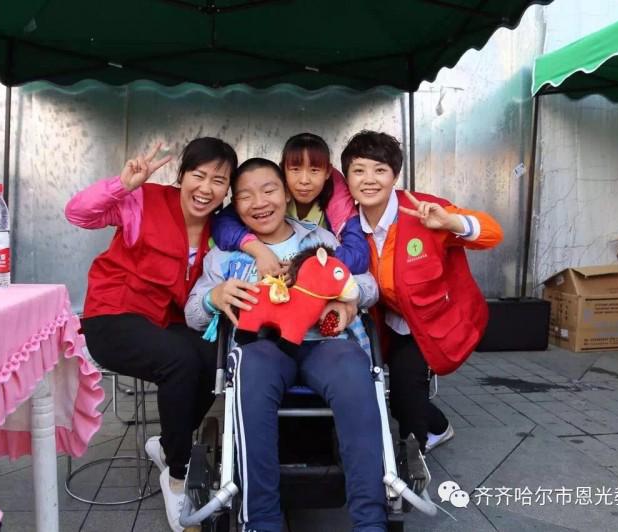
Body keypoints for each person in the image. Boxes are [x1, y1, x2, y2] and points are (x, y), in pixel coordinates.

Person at [186, 158, 387, 532]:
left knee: (356, 370)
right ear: (234, 204)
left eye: (268, 190)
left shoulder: (320, 240)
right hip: (263, 348)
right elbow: (193, 314)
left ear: (286, 193)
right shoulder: (224, 256)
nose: (259, 202)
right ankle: (262, 521)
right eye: (245, 196)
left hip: (323, 344)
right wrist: (215, 295)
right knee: (250, 369)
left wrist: (346, 300)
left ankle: (371, 522)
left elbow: (369, 285)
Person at [65, 137, 237, 531]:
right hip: (113, 317)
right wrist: (121, 185)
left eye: (219, 180)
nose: (206, 188)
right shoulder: (144, 199)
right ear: (182, 176)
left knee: (219, 356)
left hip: (167, 321)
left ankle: (164, 444)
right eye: (199, 175)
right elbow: (78, 214)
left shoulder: (221, 227)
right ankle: (177, 476)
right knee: (177, 361)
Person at [341, 131, 503, 454]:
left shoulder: (425, 212)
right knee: (396, 398)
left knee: (405, 392)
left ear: (395, 176)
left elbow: (492, 234)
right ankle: (440, 427)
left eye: (380, 170)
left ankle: (411, 462)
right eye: (359, 170)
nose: (369, 180)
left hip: (434, 324)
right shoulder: (348, 227)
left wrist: (453, 222)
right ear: (347, 178)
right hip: (389, 324)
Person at [212, 132, 369, 278]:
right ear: (283, 170)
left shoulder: (338, 196)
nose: (304, 180)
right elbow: (223, 224)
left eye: (314, 170)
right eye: (295, 169)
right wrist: (258, 250)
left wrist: (308, 262)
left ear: (328, 171)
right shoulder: (269, 195)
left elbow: (359, 258)